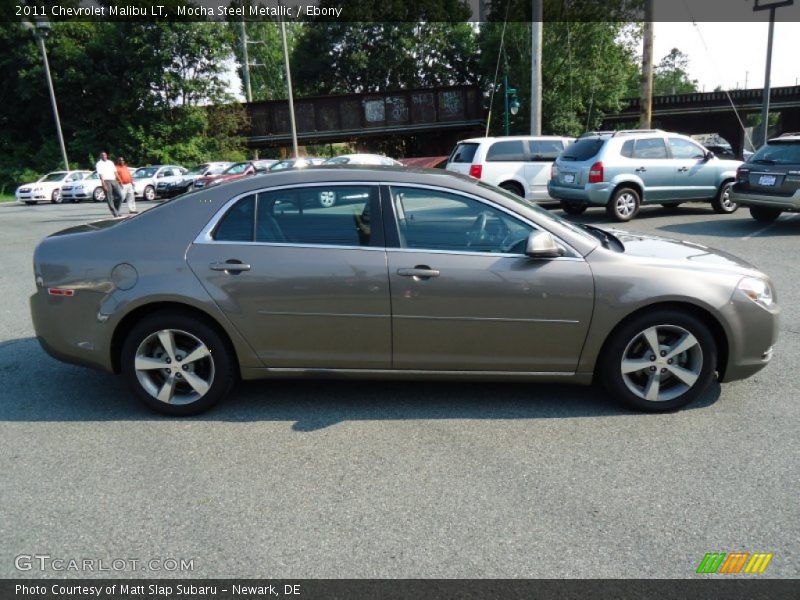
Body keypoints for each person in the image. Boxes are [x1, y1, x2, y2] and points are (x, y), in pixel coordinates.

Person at [95, 151, 122, 217]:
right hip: (106, 181)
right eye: (102, 155)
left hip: (113, 180)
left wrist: (119, 180)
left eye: (105, 155)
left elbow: (115, 172)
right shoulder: (99, 164)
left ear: (107, 156)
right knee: (109, 198)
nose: (104, 156)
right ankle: (114, 212)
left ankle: (116, 210)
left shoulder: (110, 162)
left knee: (120, 196)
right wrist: (103, 184)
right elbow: (101, 175)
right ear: (100, 157)